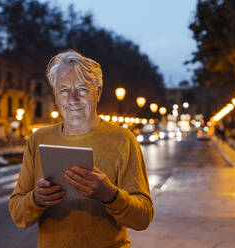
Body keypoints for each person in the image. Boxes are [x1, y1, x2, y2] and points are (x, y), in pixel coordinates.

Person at [9, 50, 153, 248]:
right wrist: (36, 199)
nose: (73, 98)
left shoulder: (123, 140)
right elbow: (18, 215)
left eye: (83, 89)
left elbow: (143, 218)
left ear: (98, 92)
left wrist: (110, 195)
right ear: (55, 96)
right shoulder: (37, 140)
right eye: (64, 90)